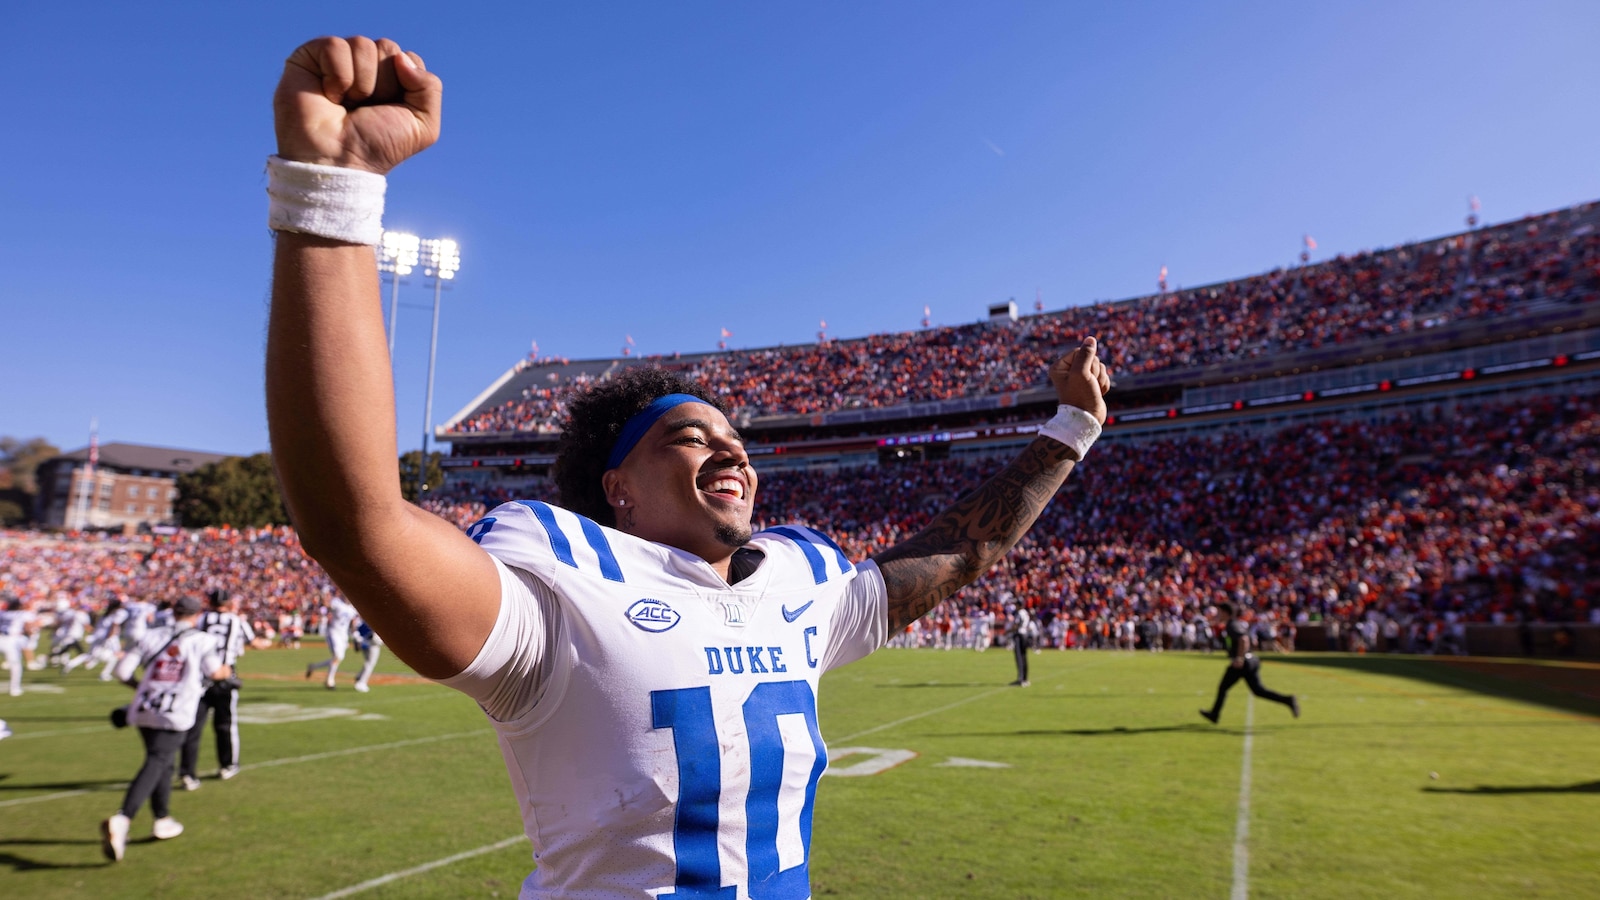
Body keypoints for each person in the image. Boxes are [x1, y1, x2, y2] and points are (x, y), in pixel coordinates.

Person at [264, 34, 1109, 899]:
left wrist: (1072, 429)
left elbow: (957, 553)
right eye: (691, 436)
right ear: (618, 488)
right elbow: (356, 524)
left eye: (733, 436)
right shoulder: (562, 591)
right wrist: (334, 192)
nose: (730, 447)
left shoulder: (798, 582)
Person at [101, 595, 231, 862]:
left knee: (163, 761)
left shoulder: (149, 636)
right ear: (196, 615)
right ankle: (123, 817)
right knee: (158, 759)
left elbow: (122, 672)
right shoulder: (202, 640)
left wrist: (143, 689)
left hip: (146, 707)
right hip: (177, 710)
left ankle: (162, 818)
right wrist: (227, 672)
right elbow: (214, 671)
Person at [179, 590, 254, 789]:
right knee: (226, 725)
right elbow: (251, 640)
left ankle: (187, 772)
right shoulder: (236, 620)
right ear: (228, 602)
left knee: (192, 727)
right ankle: (227, 765)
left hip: (200, 677)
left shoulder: (202, 618)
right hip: (226, 677)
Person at [1199, 602, 1299, 724]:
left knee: (1223, 687)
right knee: (1258, 691)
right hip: (1250, 660)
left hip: (1243, 662)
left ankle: (1214, 714)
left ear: (1225, 612)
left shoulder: (1232, 625)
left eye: (1219, 612)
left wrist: (1239, 658)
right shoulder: (1233, 624)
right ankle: (1288, 700)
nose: (1217, 615)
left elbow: (1243, 639)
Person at [305, 595, 357, 689]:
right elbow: (328, 606)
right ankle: (329, 681)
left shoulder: (352, 608)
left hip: (344, 635)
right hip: (334, 632)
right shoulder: (337, 602)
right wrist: (321, 599)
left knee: (337, 658)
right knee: (338, 656)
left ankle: (314, 666)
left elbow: (352, 622)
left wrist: (355, 635)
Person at [1007, 606, 1039, 686]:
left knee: (1019, 657)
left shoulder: (1020, 613)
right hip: (1025, 634)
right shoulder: (1025, 613)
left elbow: (1016, 625)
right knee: (1024, 657)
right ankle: (1025, 678)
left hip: (1019, 635)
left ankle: (1020, 679)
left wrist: (1008, 631)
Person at [350, 617, 383, 693]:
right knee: (370, 663)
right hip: (371, 643)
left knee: (368, 662)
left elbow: (356, 628)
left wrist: (357, 639)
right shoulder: (371, 619)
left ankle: (359, 677)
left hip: (364, 642)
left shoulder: (362, 619)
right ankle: (361, 682)